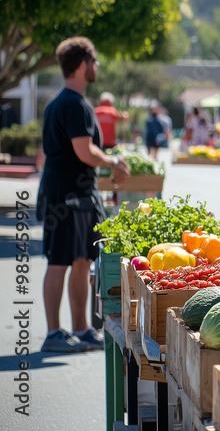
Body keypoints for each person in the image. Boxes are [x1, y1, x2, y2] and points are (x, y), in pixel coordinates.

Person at [38, 37, 131, 352]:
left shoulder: (59, 102)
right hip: (68, 197)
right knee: (59, 262)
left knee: (80, 261)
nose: (97, 67)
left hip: (72, 194)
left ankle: (81, 328)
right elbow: (84, 150)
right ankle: (53, 334)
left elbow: (51, 154)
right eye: (95, 61)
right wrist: (112, 163)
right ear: (83, 64)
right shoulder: (75, 104)